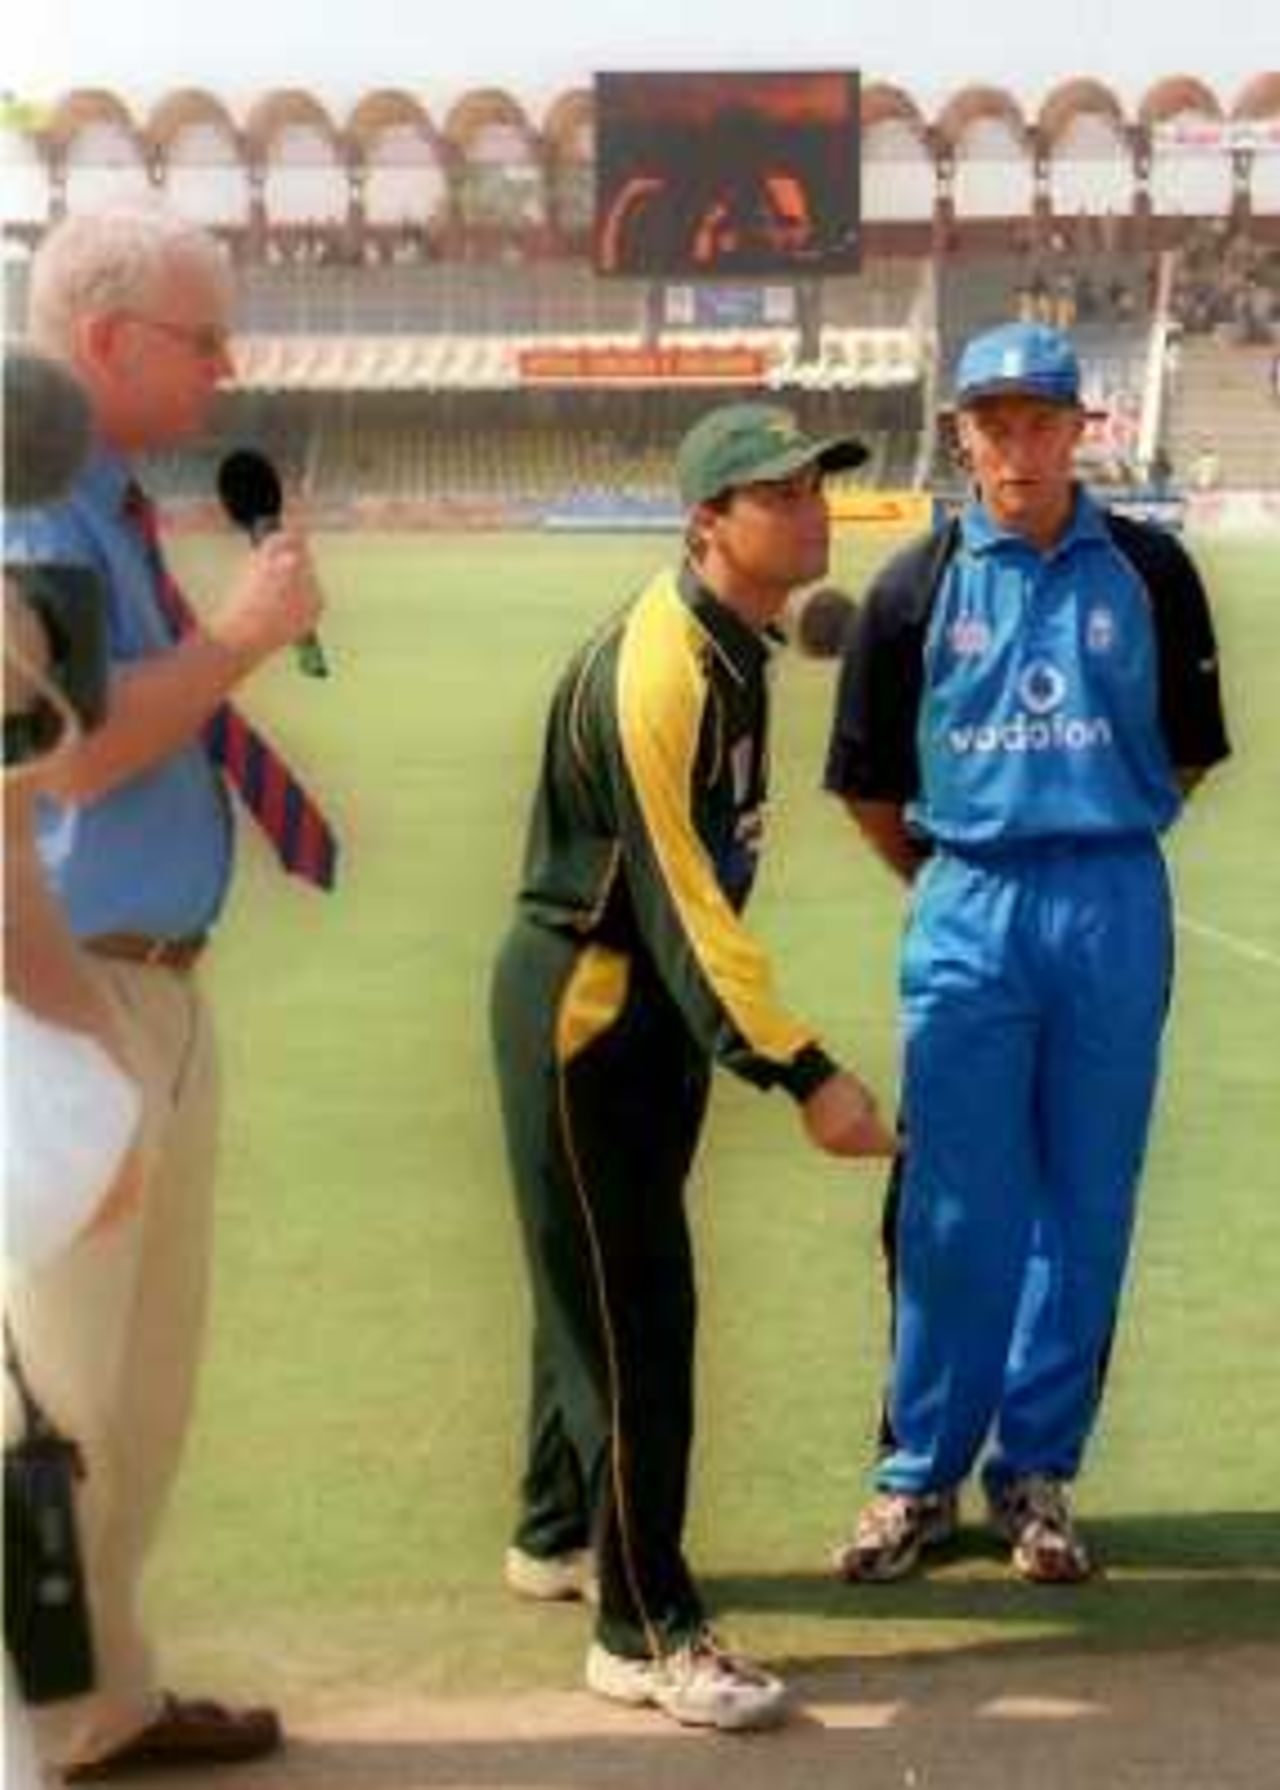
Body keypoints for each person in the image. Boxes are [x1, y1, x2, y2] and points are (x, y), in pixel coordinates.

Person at [491, 401, 896, 1733]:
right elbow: (685, 904)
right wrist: (806, 1070)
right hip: (593, 1001)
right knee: (636, 1317)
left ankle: (555, 1533)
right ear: (707, 520)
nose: (812, 507)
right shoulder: (663, 665)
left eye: (816, 485)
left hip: (643, 996)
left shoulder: (740, 644)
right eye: (776, 492)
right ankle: (642, 1625)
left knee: (592, 1279)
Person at [3, 206, 336, 1781]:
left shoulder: (101, 508)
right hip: (70, 994)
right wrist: (245, 640)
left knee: (134, 1390)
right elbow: (59, 748)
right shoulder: (33, 514)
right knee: (58, 1403)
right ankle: (42, 1713)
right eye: (205, 338)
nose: (228, 364)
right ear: (107, 340)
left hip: (154, 994)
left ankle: (98, 1697)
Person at [823, 321, 1229, 1587]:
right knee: (952, 1204)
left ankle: (1035, 1475)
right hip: (969, 909)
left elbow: (1186, 751)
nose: (1014, 443)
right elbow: (871, 785)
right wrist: (968, 870)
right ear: (959, 434)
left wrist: (1081, 833)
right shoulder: (911, 585)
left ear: (1079, 429)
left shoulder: (1150, 573)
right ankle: (915, 1479)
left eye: (1037, 420)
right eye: (989, 421)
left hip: (1108, 906)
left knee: (1084, 1201)